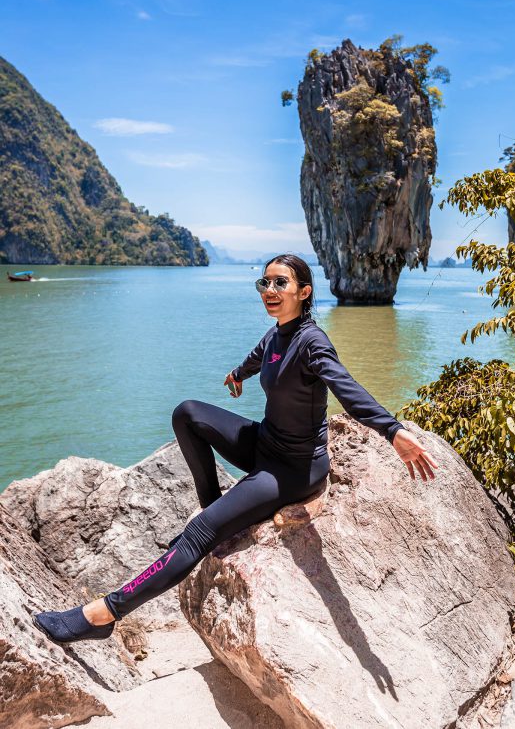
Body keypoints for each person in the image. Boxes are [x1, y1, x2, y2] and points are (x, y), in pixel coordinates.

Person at [32, 253, 439, 644]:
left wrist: (393, 431)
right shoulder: (278, 332)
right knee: (187, 413)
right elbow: (260, 356)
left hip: (293, 470)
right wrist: (237, 374)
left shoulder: (313, 342)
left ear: (305, 291)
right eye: (265, 282)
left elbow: (347, 390)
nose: (270, 289)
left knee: (196, 535)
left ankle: (102, 615)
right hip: (266, 443)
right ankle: (214, 508)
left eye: (281, 282)